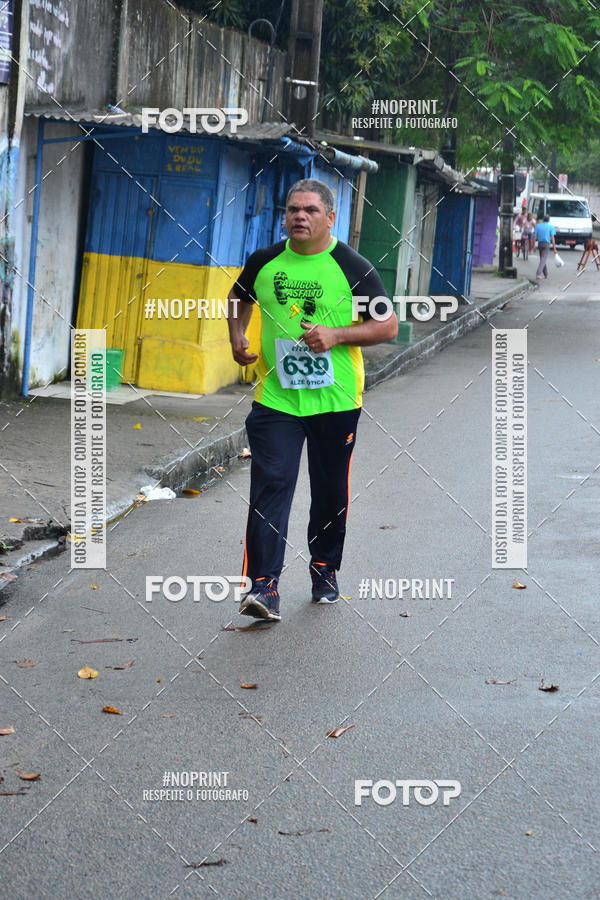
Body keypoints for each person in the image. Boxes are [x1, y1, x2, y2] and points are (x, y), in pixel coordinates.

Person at [226, 178, 397, 621]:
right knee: (270, 487)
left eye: (310, 210)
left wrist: (337, 335)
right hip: (276, 402)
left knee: (329, 492)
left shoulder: (353, 267)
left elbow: (388, 326)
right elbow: (237, 297)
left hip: (336, 402)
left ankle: (324, 568)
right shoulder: (264, 262)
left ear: (330, 218)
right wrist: (236, 336)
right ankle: (263, 587)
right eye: (292, 210)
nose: (299, 216)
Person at [534, 215, 557, 279]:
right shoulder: (551, 227)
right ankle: (538, 273)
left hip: (540, 244)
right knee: (543, 259)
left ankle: (546, 274)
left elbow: (535, 236)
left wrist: (534, 245)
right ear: (549, 220)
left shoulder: (538, 226)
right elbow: (552, 238)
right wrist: (554, 248)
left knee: (542, 259)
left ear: (543, 219)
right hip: (546, 244)